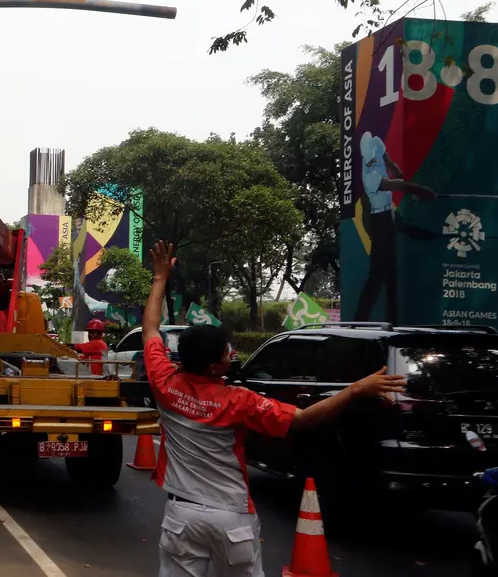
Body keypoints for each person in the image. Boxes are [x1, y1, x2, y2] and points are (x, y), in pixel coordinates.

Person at [142, 240, 406, 577]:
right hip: (231, 521)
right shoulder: (239, 401)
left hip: (181, 518)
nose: (231, 354)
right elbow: (305, 419)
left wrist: (160, 277)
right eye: (226, 351)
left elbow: (150, 329)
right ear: (212, 367)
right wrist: (356, 389)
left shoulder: (165, 383)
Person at [355, 131, 435, 323]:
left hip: (388, 215)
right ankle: (359, 320)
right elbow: (391, 184)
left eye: (372, 159)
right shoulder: (369, 175)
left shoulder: (373, 143)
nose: (373, 163)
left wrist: (394, 167)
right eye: (370, 161)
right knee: (377, 274)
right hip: (379, 220)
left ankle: (392, 320)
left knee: (391, 274)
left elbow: (387, 160)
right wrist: (415, 188)